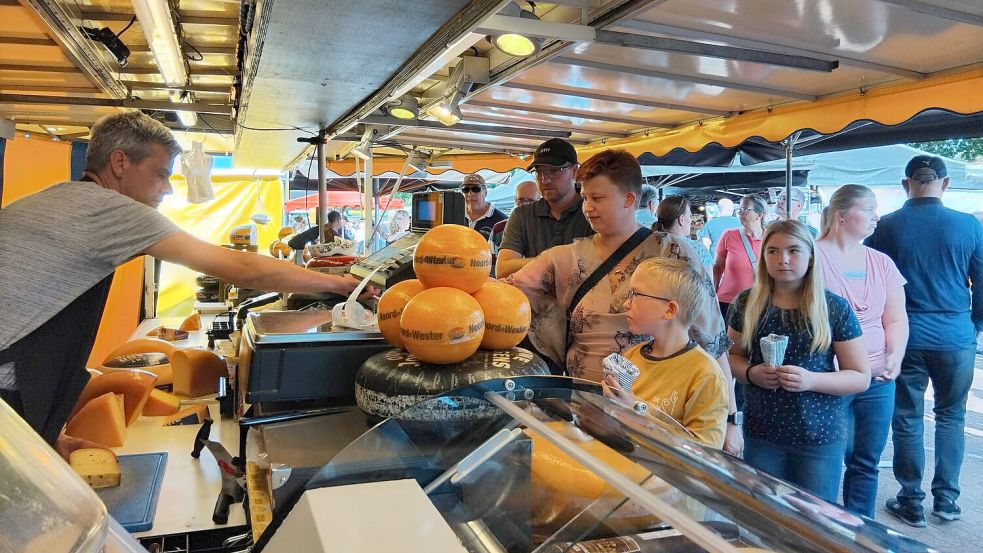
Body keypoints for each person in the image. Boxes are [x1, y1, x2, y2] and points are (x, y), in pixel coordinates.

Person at [0, 111, 373, 456]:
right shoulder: (106, 209)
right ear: (119, 163)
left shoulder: (63, 201)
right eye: (161, 173)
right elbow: (243, 268)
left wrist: (49, 436)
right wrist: (341, 285)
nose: (168, 189)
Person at [506, 149, 743, 456]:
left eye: (598, 198)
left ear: (630, 199)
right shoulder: (564, 258)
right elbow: (505, 295)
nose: (588, 208)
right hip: (584, 411)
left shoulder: (674, 254)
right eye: (585, 197)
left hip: (652, 419)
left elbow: (712, 339)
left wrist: (730, 419)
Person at [865, 155, 983, 526]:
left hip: (905, 335)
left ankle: (911, 500)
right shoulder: (969, 225)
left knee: (907, 416)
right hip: (955, 334)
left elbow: (873, 282)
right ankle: (946, 499)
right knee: (951, 415)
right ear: (944, 184)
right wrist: (974, 325)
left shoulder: (885, 226)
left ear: (906, 184)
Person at [727, 220, 870, 503]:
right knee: (764, 515)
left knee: (813, 519)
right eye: (773, 251)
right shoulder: (747, 303)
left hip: (818, 436)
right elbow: (731, 356)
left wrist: (812, 379)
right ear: (763, 256)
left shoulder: (833, 308)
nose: (783, 260)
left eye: (794, 250)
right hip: (762, 432)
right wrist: (752, 373)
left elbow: (859, 375)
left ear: (810, 257)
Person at [816, 184, 908, 519]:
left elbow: (896, 317)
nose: (876, 216)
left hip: (878, 378)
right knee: (824, 457)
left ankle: (859, 532)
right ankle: (821, 529)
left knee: (866, 462)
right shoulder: (810, 258)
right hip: (828, 378)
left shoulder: (881, 262)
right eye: (868, 209)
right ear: (841, 216)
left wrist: (896, 354)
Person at [606, 257, 729, 448]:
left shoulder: (706, 375)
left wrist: (636, 409)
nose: (626, 304)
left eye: (635, 294)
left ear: (670, 310)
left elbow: (705, 454)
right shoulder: (631, 356)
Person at [496, 138, 593, 278]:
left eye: (554, 171)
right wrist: (552, 259)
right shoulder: (522, 214)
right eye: (539, 172)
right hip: (529, 300)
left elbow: (599, 264)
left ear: (574, 171)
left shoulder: (592, 211)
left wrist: (534, 263)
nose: (545, 180)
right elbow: (503, 269)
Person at [713, 194, 766, 316]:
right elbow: (717, 269)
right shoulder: (729, 235)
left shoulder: (771, 238)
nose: (740, 213)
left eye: (745, 210)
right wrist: (712, 297)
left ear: (759, 215)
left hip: (760, 303)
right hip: (727, 303)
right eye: (739, 209)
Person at [655, 195, 713, 268]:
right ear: (681, 219)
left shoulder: (650, 244)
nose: (690, 220)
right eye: (689, 216)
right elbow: (709, 278)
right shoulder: (698, 248)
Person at [489, 180, 540, 257]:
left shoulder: (547, 228)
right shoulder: (499, 229)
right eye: (521, 200)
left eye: (531, 201)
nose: (525, 205)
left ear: (540, 202)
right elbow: (490, 264)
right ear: (515, 200)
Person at [461, 173, 506, 239]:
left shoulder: (502, 221)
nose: (470, 194)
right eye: (466, 189)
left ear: (485, 192)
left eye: (476, 189)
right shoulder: (454, 215)